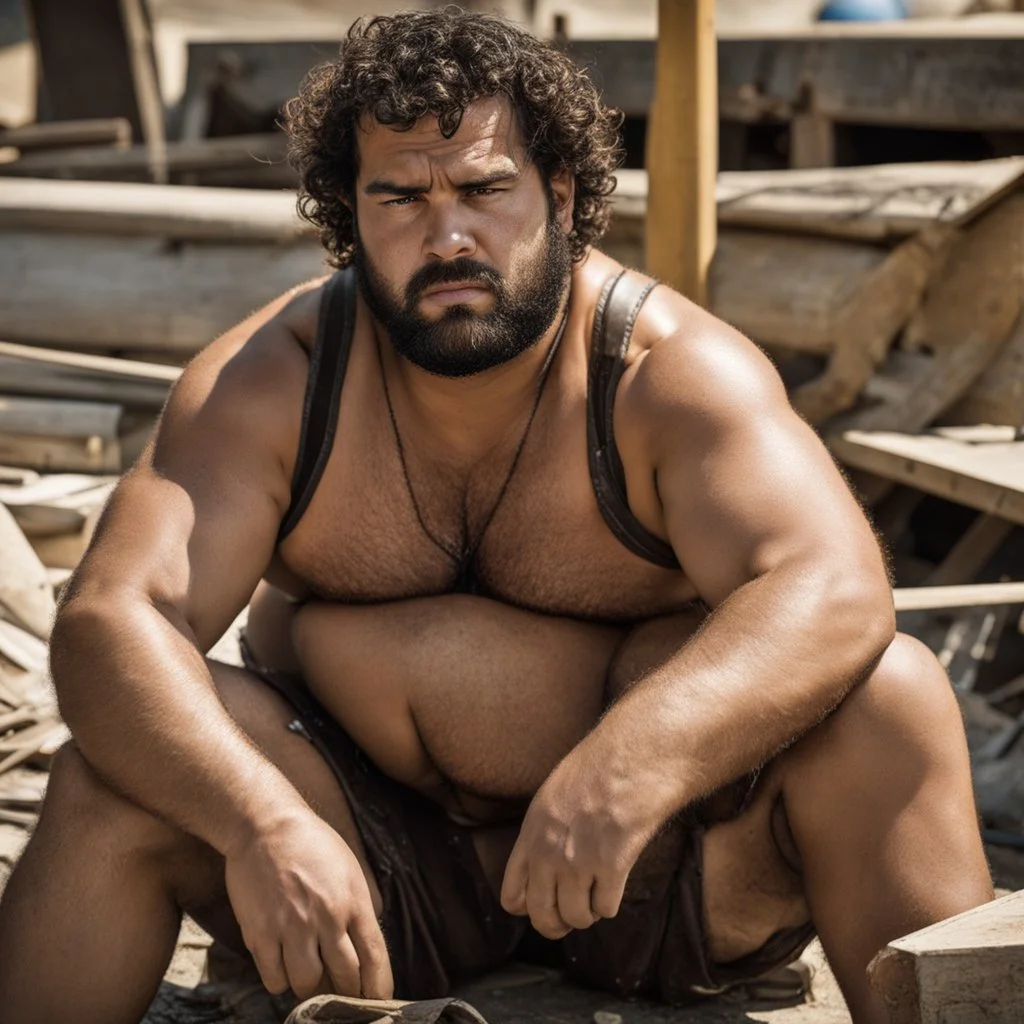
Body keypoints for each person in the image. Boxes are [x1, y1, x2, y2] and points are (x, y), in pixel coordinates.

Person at [0, 10, 992, 1024]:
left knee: (894, 698)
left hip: (663, 870)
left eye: (483, 189)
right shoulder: (274, 383)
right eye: (400, 197)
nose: (448, 236)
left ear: (558, 198)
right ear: (350, 208)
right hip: (362, 880)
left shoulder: (663, 375)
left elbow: (832, 583)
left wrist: (632, 762)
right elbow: (111, 622)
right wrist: (258, 824)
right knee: (109, 774)